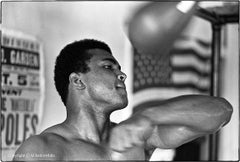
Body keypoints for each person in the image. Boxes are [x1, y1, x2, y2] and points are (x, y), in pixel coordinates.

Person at [13, 39, 233, 161]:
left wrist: (148, 116)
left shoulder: (137, 137)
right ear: (78, 81)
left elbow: (221, 112)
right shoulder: (42, 149)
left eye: (119, 69)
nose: (122, 75)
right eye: (108, 67)